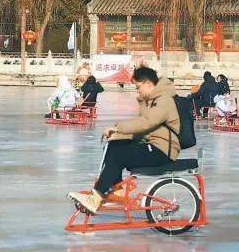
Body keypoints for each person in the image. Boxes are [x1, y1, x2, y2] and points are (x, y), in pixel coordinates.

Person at [68, 66, 181, 214]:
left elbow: (146, 122)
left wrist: (118, 128)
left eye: (138, 87)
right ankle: (118, 188)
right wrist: (118, 135)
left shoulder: (163, 100)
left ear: (148, 83)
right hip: (153, 144)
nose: (137, 91)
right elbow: (144, 128)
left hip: (162, 150)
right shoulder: (151, 100)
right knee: (114, 146)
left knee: (120, 155)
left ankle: (96, 197)